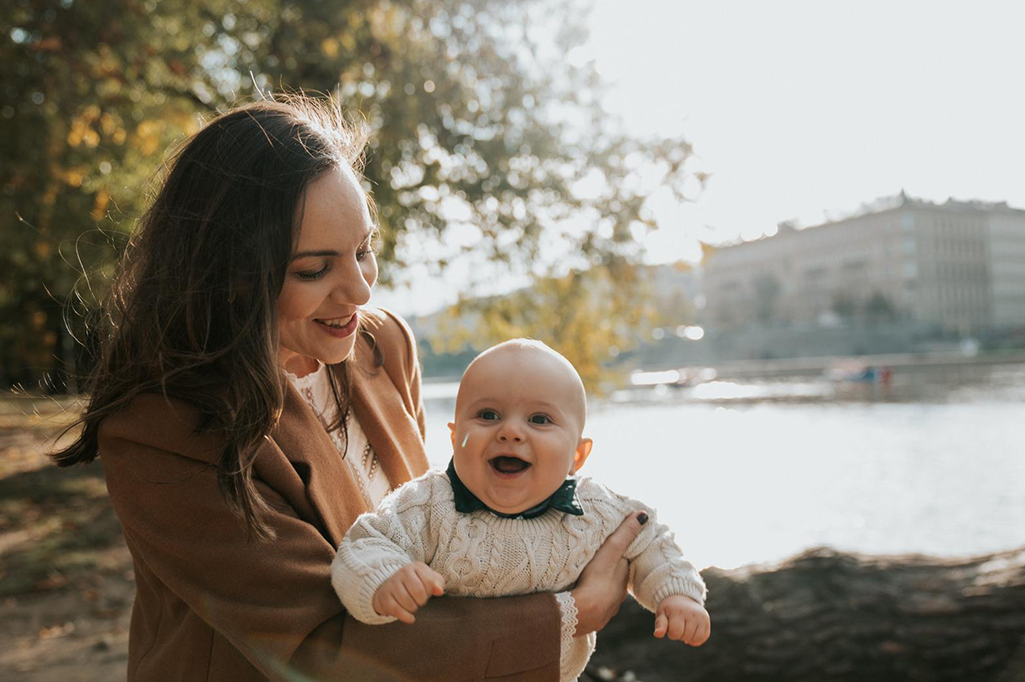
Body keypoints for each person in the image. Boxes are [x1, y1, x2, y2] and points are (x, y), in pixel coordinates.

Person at [51, 96, 646, 682]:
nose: (360, 292)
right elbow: (320, 649)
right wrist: (571, 613)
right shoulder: (160, 427)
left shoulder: (382, 345)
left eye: (364, 251)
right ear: (228, 274)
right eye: (314, 269)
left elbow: (435, 528)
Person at [333, 339, 710, 681]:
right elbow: (365, 544)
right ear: (454, 437)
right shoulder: (428, 505)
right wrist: (382, 579)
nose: (510, 432)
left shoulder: (594, 509)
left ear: (577, 455)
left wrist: (676, 594)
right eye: (488, 416)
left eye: (539, 420)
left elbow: (649, 538)